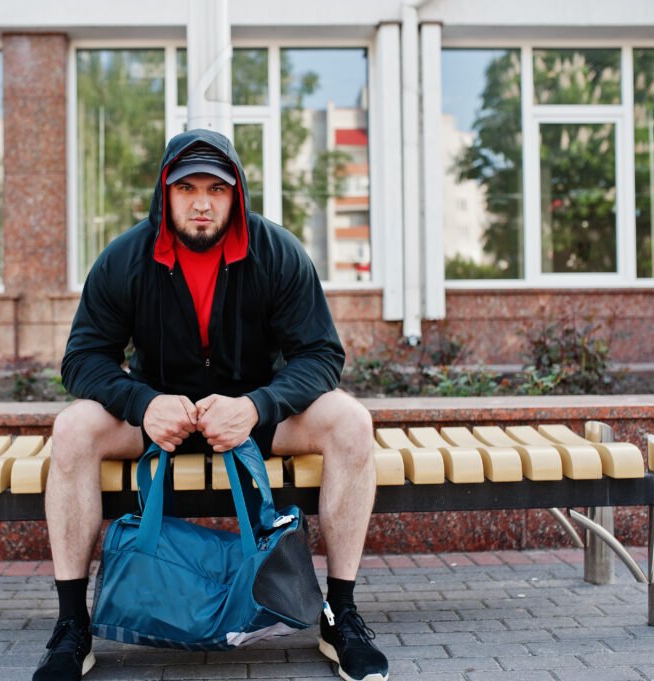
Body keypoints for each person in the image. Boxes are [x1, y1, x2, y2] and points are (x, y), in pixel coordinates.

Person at [33, 128, 389, 681]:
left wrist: (258, 406)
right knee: (73, 428)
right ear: (165, 192)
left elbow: (321, 354)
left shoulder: (276, 252)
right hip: (159, 419)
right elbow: (82, 358)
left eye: (216, 189)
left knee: (351, 422)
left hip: (252, 417)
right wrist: (143, 402)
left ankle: (339, 615)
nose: (201, 203)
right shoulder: (126, 257)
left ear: (236, 194)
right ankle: (71, 626)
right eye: (187, 188)